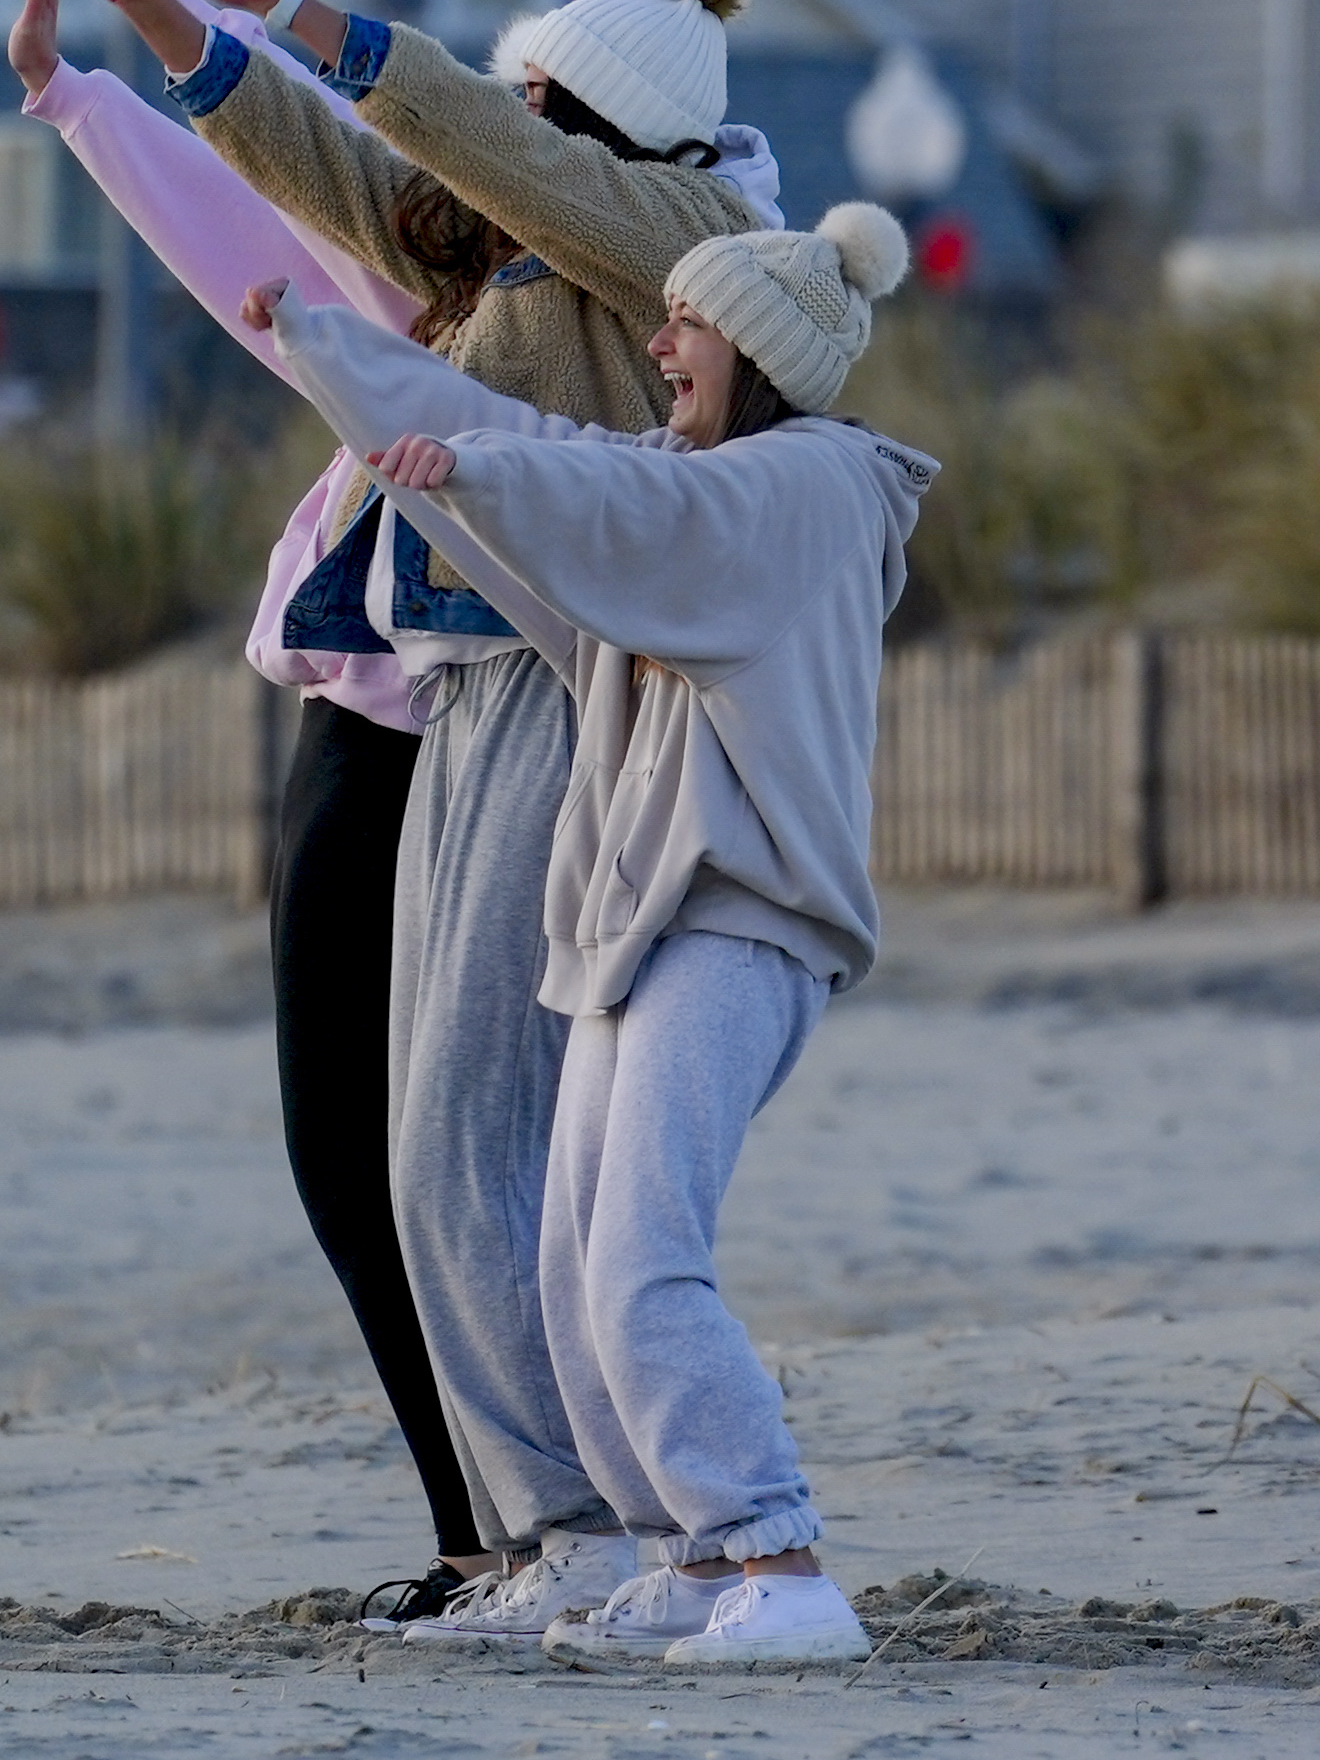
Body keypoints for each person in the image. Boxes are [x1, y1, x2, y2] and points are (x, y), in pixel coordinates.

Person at [73, 0, 773, 1645]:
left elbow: (476, 142)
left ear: (600, 132)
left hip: (553, 692)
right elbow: (325, 174)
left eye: (536, 105)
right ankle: (556, 1529)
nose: (501, 133)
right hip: (455, 684)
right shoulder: (517, 242)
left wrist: (305, 0)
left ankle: (584, 1527)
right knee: (433, 1147)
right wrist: (176, 18)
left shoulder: (665, 232)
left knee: (472, 1130)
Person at [241, 192, 928, 1675]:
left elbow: (614, 507)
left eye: (686, 321)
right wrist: (331, 357)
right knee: (564, 1264)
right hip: (641, 925)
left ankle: (779, 1553)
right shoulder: (688, 468)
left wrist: (471, 469)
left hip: (740, 925)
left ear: (755, 346)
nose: (659, 340)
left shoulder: (799, 488)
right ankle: (677, 1550)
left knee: (639, 1262)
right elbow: (557, 458)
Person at [3, 0, 500, 1616]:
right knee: (429, 1159)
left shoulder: (550, 274)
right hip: (449, 731)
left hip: (404, 736)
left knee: (392, 1156)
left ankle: (500, 1529)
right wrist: (107, 63)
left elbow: (263, 212)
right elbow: (267, 199)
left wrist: (111, 69)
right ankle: (511, 1523)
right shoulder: (584, 261)